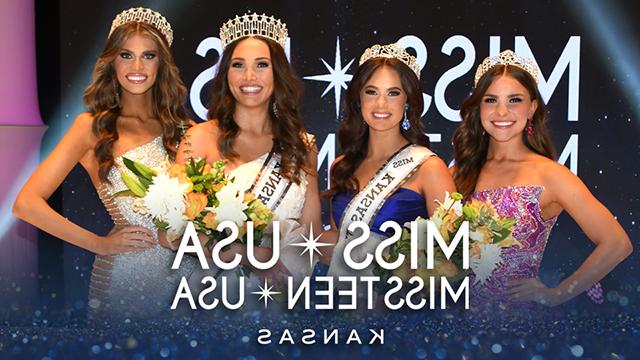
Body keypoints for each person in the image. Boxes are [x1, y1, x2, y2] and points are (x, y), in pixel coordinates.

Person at [13, 7, 196, 321]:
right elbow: (26, 203)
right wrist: (99, 243)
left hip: (189, 280)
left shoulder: (185, 130)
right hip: (128, 283)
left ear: (161, 64)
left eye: (148, 56)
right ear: (112, 61)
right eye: (126, 55)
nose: (136, 66)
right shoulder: (93, 127)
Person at [451, 50, 632, 313]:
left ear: (532, 108)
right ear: (479, 107)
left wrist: (557, 294)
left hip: (518, 331)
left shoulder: (550, 174)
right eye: (491, 100)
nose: (502, 111)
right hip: (456, 327)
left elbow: (617, 243)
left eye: (515, 100)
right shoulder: (460, 171)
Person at [175, 13, 323, 297]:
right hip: (214, 293)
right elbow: (176, 234)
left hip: (280, 296)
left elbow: (312, 235)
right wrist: (246, 253)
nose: (249, 77)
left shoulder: (302, 145)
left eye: (262, 65)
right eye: (238, 65)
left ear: (277, 74)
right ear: (225, 74)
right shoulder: (200, 140)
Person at [324, 43, 456, 287]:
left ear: (408, 101)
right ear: (358, 100)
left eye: (393, 93)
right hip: (344, 307)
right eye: (371, 92)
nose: (381, 104)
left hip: (399, 311)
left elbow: (452, 258)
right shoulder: (341, 166)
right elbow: (339, 242)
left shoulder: (428, 168)